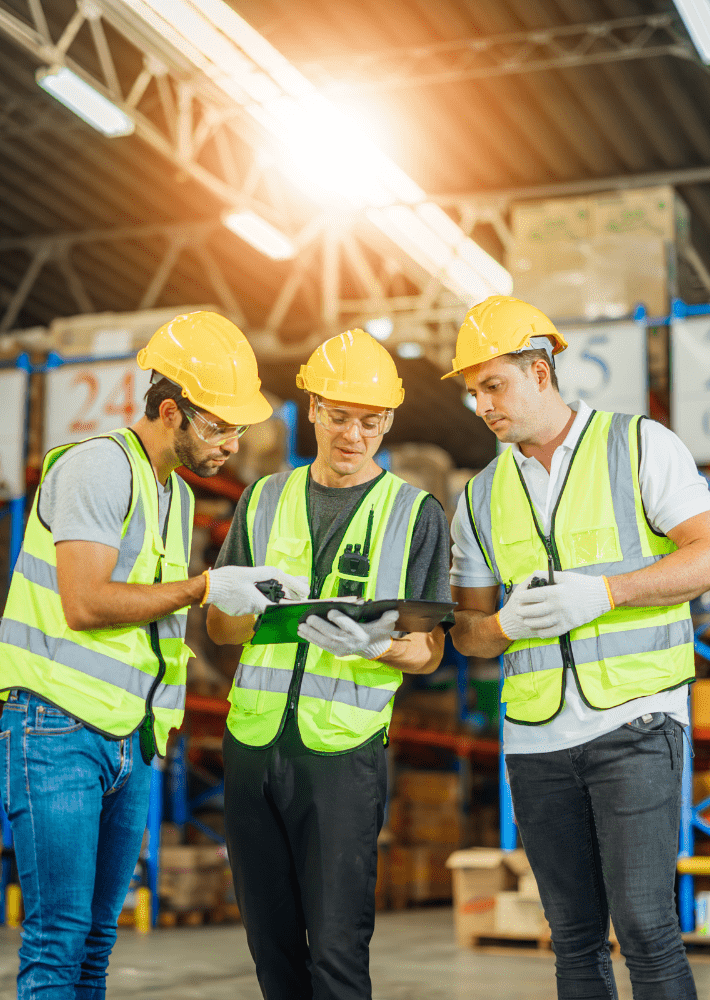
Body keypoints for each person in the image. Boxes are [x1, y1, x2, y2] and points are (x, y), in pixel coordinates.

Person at [0, 311, 308, 1000]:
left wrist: (236, 601)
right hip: (55, 726)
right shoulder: (98, 466)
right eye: (218, 426)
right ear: (171, 411)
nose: (232, 443)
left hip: (132, 734)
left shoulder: (179, 495)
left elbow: (161, 609)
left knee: (99, 943)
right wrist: (201, 587)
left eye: (237, 428)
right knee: (57, 939)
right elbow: (84, 602)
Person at [445, 295, 710, 1000]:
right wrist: (506, 626)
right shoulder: (479, 498)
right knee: (573, 939)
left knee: (644, 927)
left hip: (637, 722)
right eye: (472, 392)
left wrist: (605, 594)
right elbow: (467, 632)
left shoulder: (639, 445)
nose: (482, 405)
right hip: (538, 741)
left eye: (494, 385)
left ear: (540, 371)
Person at [207, 329, 452, 1000]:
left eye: (370, 422)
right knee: (271, 948)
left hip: (342, 757)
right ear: (312, 408)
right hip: (253, 745)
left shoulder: (414, 514)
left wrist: (382, 646)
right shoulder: (261, 500)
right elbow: (221, 630)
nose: (353, 434)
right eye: (339, 416)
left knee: (338, 951)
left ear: (389, 422)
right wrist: (238, 600)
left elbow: (429, 651)